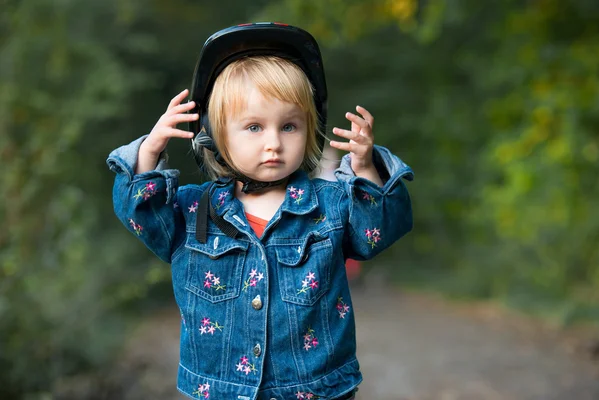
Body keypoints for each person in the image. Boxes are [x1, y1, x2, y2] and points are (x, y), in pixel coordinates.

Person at [107, 23, 413, 400]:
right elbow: (139, 213)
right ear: (215, 134)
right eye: (253, 127)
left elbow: (378, 231)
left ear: (309, 129)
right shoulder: (190, 210)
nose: (273, 143)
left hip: (316, 390)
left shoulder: (331, 204)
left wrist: (366, 168)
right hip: (218, 390)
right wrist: (148, 153)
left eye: (289, 126)